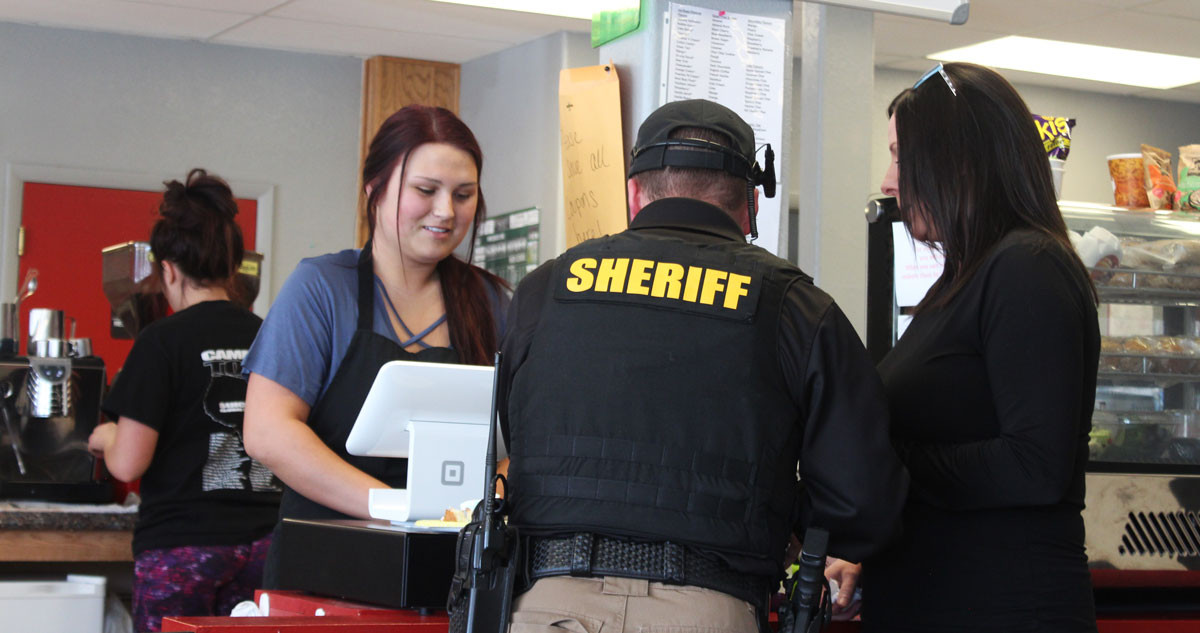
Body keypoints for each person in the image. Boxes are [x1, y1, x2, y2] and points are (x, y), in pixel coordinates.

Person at [496, 99, 908, 633]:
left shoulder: (543, 290)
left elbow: (518, 438)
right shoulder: (794, 307)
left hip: (545, 606)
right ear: (751, 203)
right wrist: (782, 515)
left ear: (633, 193)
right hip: (706, 608)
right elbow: (863, 498)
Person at [855, 62, 1100, 632]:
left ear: (958, 157)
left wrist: (887, 467)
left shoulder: (1027, 268)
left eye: (900, 155)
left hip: (1004, 605)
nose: (889, 181)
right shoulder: (969, 275)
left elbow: (1035, 466)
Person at [242, 104, 509, 587]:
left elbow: (522, 436)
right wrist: (389, 506)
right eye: (426, 190)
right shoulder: (322, 287)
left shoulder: (492, 303)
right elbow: (267, 430)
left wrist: (484, 503)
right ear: (375, 189)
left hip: (450, 570)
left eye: (464, 194)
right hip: (323, 567)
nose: (446, 211)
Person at [88, 168, 279, 633]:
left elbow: (128, 464)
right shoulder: (269, 337)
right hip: (266, 550)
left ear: (167, 270)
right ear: (234, 268)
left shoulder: (161, 342)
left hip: (183, 550)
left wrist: (107, 436)